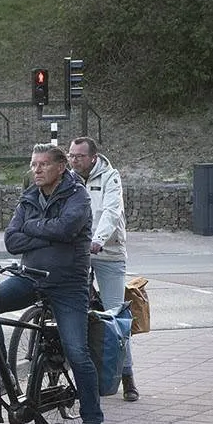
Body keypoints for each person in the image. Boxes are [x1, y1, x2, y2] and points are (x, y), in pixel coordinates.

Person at [0, 144, 105, 424]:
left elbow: (67, 228)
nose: (36, 170)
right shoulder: (30, 196)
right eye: (33, 164)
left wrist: (33, 230)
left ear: (61, 167)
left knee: (77, 352)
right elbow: (11, 240)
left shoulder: (77, 196)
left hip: (67, 284)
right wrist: (48, 234)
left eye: (43, 165)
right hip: (30, 276)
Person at [69, 137, 138, 402]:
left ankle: (128, 377)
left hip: (108, 253)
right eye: (71, 155)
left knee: (114, 316)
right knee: (74, 313)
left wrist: (98, 240)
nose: (75, 161)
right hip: (78, 254)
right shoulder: (70, 179)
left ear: (93, 158)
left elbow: (111, 211)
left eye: (80, 156)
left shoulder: (110, 177)